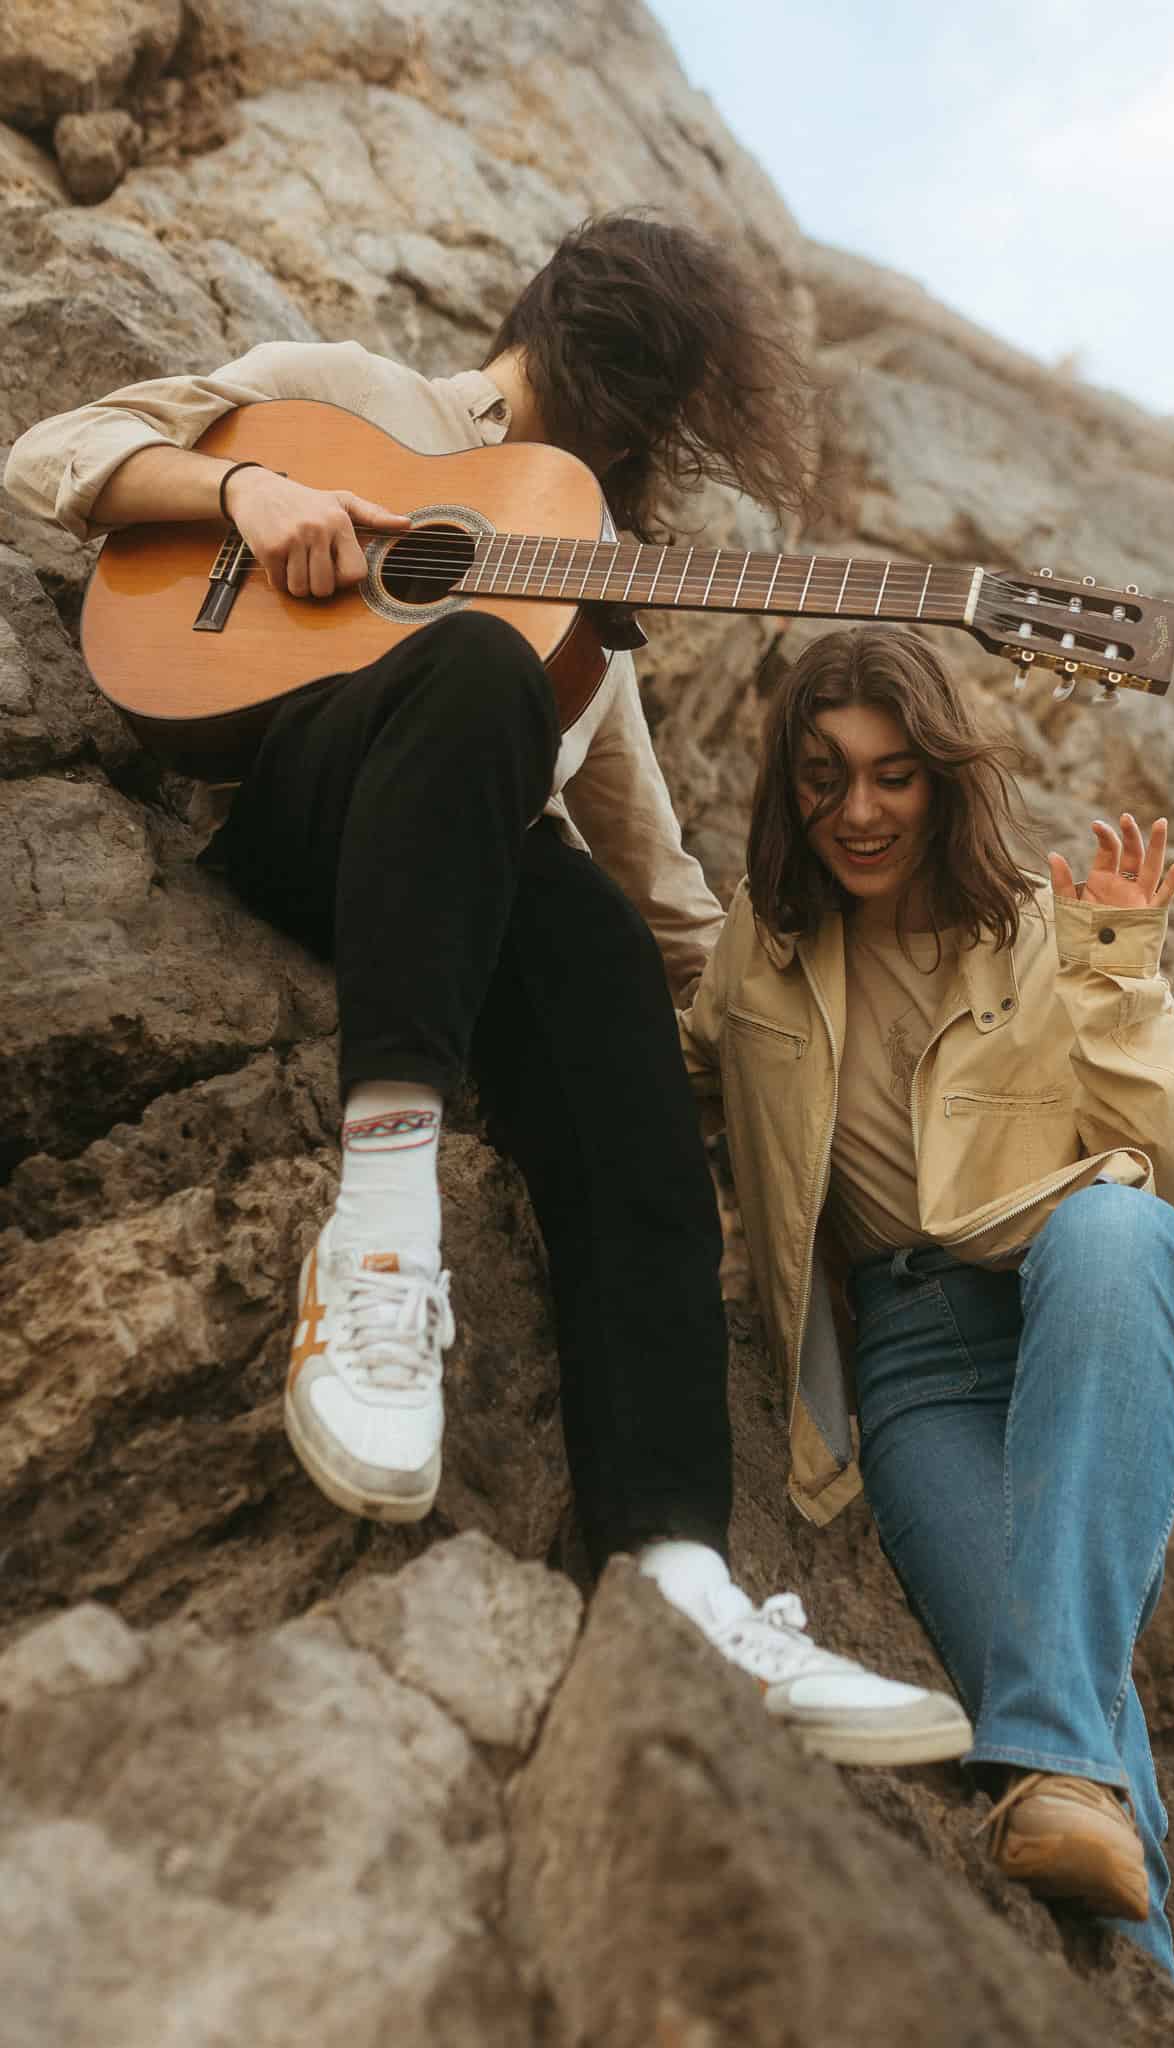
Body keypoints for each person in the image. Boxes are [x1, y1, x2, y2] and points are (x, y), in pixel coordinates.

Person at [4, 214, 971, 1768]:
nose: (628, 426)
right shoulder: (343, 392)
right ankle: (378, 1248)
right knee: (471, 665)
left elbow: (661, 887)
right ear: (559, 334)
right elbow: (58, 448)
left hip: (484, 877)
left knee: (600, 948)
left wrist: (834, 1046)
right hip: (296, 804)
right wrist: (252, 492)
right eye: (626, 383)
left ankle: (679, 1575)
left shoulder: (580, 574)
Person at [677, 624, 1174, 1974]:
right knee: (1053, 1691)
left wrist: (1117, 976)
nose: (859, 810)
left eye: (893, 775)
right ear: (788, 788)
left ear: (943, 781)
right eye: (824, 777)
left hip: (1134, 1314)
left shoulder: (1045, 932)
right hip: (919, 1373)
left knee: (1106, 1224)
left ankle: (1053, 1752)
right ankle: (1145, 1981)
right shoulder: (761, 947)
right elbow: (680, 1076)